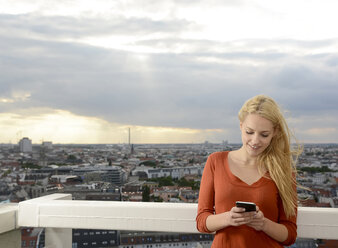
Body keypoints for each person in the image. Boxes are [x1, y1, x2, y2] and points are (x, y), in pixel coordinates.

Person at [196, 95, 302, 247]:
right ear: (241, 126)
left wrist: (263, 224)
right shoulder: (215, 161)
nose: (255, 141)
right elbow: (201, 221)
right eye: (249, 132)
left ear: (275, 132)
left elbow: (290, 234)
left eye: (264, 134)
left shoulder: (282, 171)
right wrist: (228, 218)